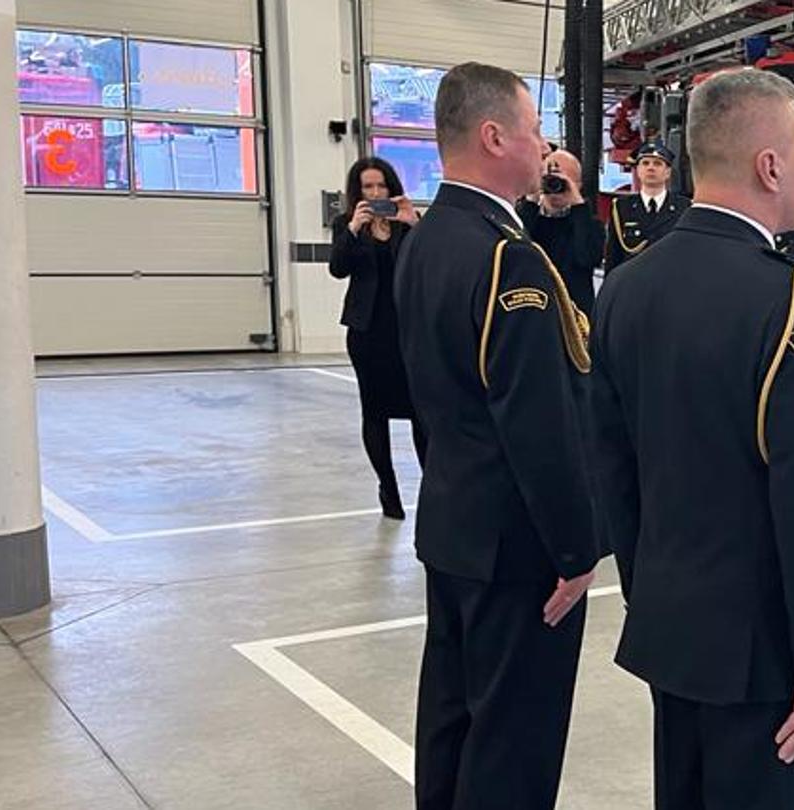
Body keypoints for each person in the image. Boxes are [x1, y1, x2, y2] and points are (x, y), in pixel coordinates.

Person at [588, 68, 794, 810]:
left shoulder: (626, 287)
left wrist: (653, 597)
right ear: (769, 166)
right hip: (761, 651)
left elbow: (614, 469)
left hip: (670, 627)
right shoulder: (793, 295)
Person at [392, 62, 601, 810]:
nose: (544, 146)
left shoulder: (426, 239)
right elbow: (538, 422)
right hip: (517, 548)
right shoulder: (506, 257)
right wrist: (576, 549)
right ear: (493, 136)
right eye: (534, 129)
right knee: (514, 744)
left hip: (453, 522)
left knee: (452, 722)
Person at [328, 156, 426, 519]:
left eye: (381, 186)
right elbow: (338, 268)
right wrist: (354, 228)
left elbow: (429, 264)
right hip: (367, 332)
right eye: (367, 187)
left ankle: (432, 485)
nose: (374, 193)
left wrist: (414, 224)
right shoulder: (346, 224)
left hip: (409, 331)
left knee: (420, 411)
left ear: (392, 188)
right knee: (374, 411)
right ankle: (388, 487)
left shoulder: (408, 223)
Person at [520, 147, 605, 312]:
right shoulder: (528, 218)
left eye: (563, 180)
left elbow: (588, 257)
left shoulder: (589, 223)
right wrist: (531, 200)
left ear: (577, 185)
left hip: (575, 312)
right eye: (549, 179)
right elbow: (516, 248)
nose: (555, 186)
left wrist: (579, 206)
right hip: (534, 307)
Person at [604, 141, 690, 271]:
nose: (651, 168)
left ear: (668, 172)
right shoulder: (621, 208)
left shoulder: (684, 207)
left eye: (657, 164)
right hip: (633, 279)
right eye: (645, 163)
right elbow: (613, 255)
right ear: (638, 170)